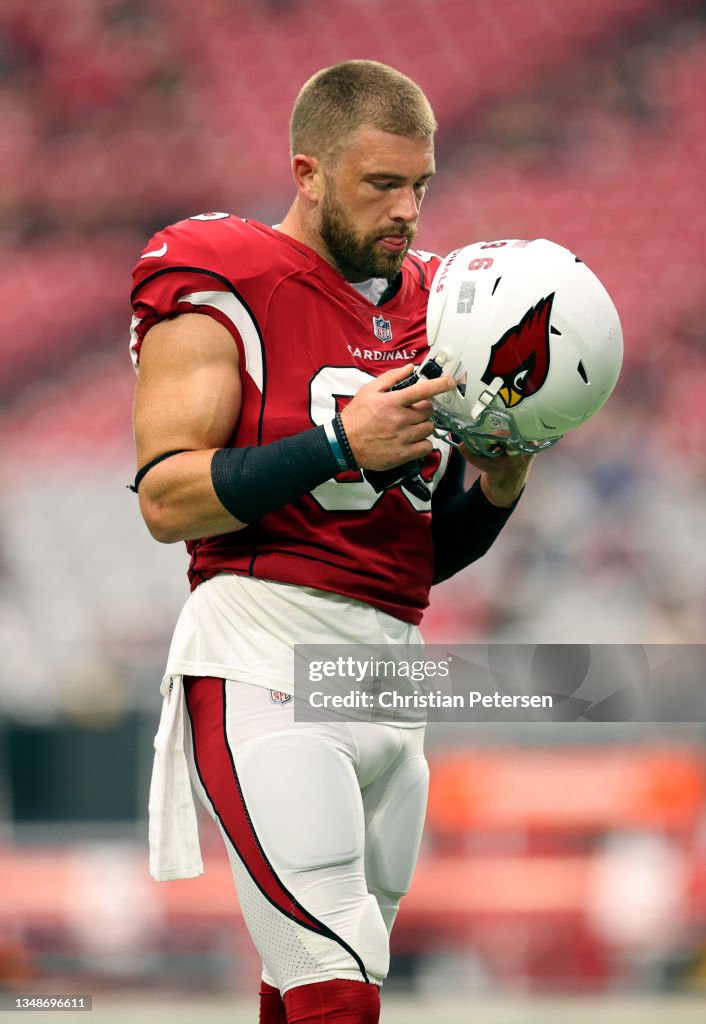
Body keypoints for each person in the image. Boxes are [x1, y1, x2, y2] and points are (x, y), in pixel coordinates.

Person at [130, 60, 531, 1024]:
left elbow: (412, 559)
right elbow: (166, 498)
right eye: (381, 184)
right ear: (308, 172)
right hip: (265, 648)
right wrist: (338, 442)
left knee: (315, 978)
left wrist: (502, 488)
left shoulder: (437, 301)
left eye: (420, 185)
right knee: (336, 979)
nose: (408, 212)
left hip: (389, 669)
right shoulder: (228, 271)